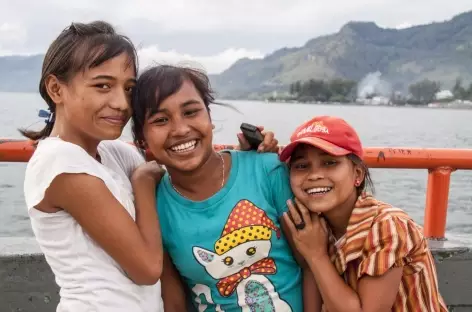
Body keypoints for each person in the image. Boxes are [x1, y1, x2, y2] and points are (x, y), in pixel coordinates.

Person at [131, 64, 318, 311]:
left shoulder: (266, 171)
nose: (181, 129)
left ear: (209, 117)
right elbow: (174, 301)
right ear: (142, 139)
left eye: (191, 112)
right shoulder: (155, 206)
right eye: (161, 120)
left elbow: (311, 265)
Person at [21, 21, 166, 312]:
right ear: (55, 89)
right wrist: (142, 182)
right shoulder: (60, 163)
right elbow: (147, 268)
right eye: (103, 86)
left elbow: (173, 178)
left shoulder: (112, 153)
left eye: (129, 89)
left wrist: (246, 155)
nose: (122, 103)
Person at [280, 115, 448, 311]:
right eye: (301, 166)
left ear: (357, 174)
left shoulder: (388, 225)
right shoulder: (314, 228)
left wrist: (316, 256)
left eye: (329, 163)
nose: (315, 175)